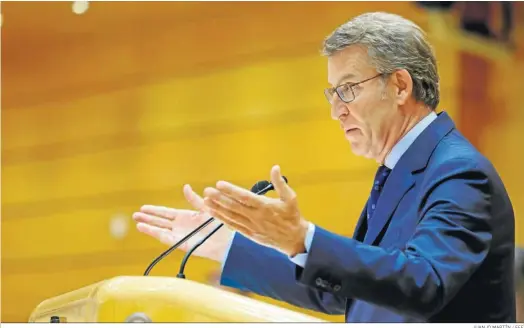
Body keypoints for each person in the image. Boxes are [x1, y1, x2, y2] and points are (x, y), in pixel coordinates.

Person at [133, 12, 515, 323]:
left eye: (348, 88)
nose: (336, 110)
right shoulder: (401, 171)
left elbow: (423, 282)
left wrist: (303, 238)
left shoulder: (460, 173)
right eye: (332, 93)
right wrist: (226, 246)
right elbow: (346, 293)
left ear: (400, 86)